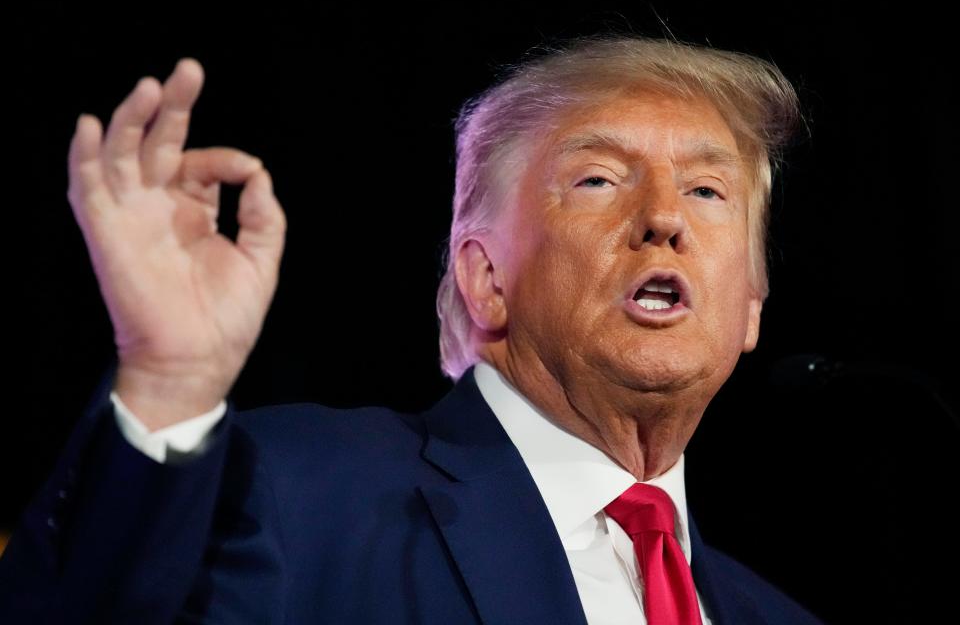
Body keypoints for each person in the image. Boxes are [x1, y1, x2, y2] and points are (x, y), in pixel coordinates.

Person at [0, 34, 824, 624]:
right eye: (600, 178)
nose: (663, 221)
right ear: (486, 279)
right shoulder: (293, 492)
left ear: (751, 301)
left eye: (708, 192)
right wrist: (169, 384)